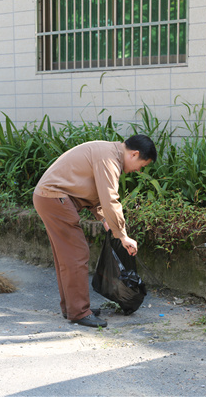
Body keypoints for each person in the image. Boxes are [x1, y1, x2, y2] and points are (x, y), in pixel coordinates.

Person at [33, 135, 157, 327]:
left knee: (66, 257)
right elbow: (109, 198)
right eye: (142, 165)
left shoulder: (107, 152)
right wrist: (122, 235)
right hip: (55, 198)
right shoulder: (109, 159)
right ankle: (79, 312)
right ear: (135, 154)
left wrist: (106, 221)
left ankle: (72, 308)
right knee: (76, 254)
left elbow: (93, 193)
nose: (139, 170)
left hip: (51, 198)